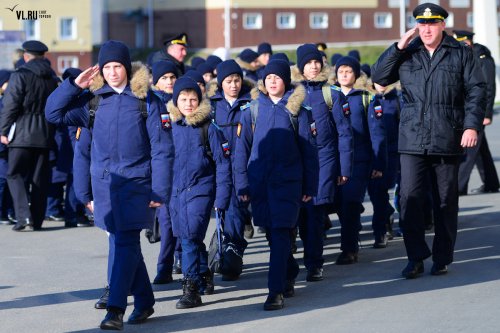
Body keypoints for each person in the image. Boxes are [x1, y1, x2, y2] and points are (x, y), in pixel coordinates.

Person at [45, 40, 174, 329]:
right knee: (122, 242)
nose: (113, 72)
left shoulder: (148, 102)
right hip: (105, 186)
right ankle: (144, 301)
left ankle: (115, 309)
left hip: (137, 184)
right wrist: (73, 86)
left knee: (126, 241)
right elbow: (52, 114)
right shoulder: (93, 101)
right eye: (107, 67)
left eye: (118, 66)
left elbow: (163, 150)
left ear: (127, 68)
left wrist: (160, 190)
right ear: (101, 70)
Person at [371, 3, 486, 278]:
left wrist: (471, 126)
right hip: (412, 138)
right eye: (422, 25)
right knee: (409, 198)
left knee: (445, 200)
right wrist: (398, 47)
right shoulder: (408, 53)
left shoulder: (461, 53)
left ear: (442, 25)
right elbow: (379, 78)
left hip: (448, 136)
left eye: (432, 24)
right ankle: (415, 257)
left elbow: (476, 91)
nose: (426, 29)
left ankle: (442, 256)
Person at [234, 60, 319, 310]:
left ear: (285, 81)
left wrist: (309, 187)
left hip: (288, 184)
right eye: (268, 78)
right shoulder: (251, 111)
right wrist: (242, 184)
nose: (272, 81)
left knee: (282, 233)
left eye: (277, 77)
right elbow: (242, 151)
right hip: (260, 183)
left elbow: (309, 153)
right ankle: (289, 271)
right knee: (273, 235)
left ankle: (275, 291)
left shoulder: (298, 111)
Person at [166, 77, 231, 308]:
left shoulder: (209, 128)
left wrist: (222, 197)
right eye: (183, 99)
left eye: (193, 99)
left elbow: (223, 164)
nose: (188, 103)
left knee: (190, 236)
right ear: (176, 101)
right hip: (174, 191)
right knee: (186, 236)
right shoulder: (169, 127)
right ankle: (204, 272)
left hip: (201, 189)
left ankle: (190, 288)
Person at [291, 44, 353, 281]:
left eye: (317, 62)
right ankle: (303, 255)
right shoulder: (292, 95)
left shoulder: (332, 94)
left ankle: (314, 263)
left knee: (316, 211)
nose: (314, 66)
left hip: (325, 159)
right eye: (308, 63)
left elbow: (344, 133)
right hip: (299, 162)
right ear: (300, 67)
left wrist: (344, 167)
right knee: (302, 215)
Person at [0, 40, 59, 231]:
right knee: (39, 178)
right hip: (45, 134)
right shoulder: (52, 78)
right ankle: (37, 220)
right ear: (44, 56)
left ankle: (23, 217)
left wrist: (3, 130)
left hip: (22, 134)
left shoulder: (20, 75)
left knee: (14, 174)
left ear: (26, 57)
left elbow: (11, 104)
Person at [334, 56, 386, 265]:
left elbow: (377, 134)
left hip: (359, 160)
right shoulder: (330, 98)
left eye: (349, 71)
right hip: (337, 160)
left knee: (350, 203)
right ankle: (351, 237)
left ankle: (349, 249)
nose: (345, 75)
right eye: (341, 72)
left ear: (355, 75)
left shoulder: (366, 98)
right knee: (339, 204)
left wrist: (378, 163)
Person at [206, 59, 254, 280]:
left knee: (235, 211)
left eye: (236, 80)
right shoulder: (212, 105)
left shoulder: (251, 103)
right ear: (220, 83)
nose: (233, 85)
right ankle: (226, 250)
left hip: (243, 167)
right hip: (219, 169)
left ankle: (233, 254)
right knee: (222, 211)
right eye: (228, 81)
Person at [453, 30, 500, 195]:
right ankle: (491, 182)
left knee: (469, 150)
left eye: (463, 43)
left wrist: (487, 114)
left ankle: (458, 187)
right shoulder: (465, 56)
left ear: (470, 42)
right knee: (481, 150)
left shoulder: (482, 58)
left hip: (479, 112)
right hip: (469, 110)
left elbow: (488, 88)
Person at [149, 60, 183, 284]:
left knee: (184, 220)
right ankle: (164, 267)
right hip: (163, 172)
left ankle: (183, 259)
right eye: (164, 78)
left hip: (184, 170)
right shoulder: (152, 103)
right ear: (156, 81)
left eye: (172, 77)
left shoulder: (185, 100)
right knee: (167, 222)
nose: (169, 82)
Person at [367, 82, 401, 248]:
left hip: (393, 152)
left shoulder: (396, 99)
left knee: (393, 188)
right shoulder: (368, 98)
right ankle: (383, 224)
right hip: (375, 152)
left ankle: (387, 222)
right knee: (377, 192)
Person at [0, 70, 15, 225]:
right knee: (3, 181)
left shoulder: (8, 99)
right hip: (2, 149)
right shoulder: (3, 101)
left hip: (7, 148)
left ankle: (8, 211)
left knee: (7, 180)